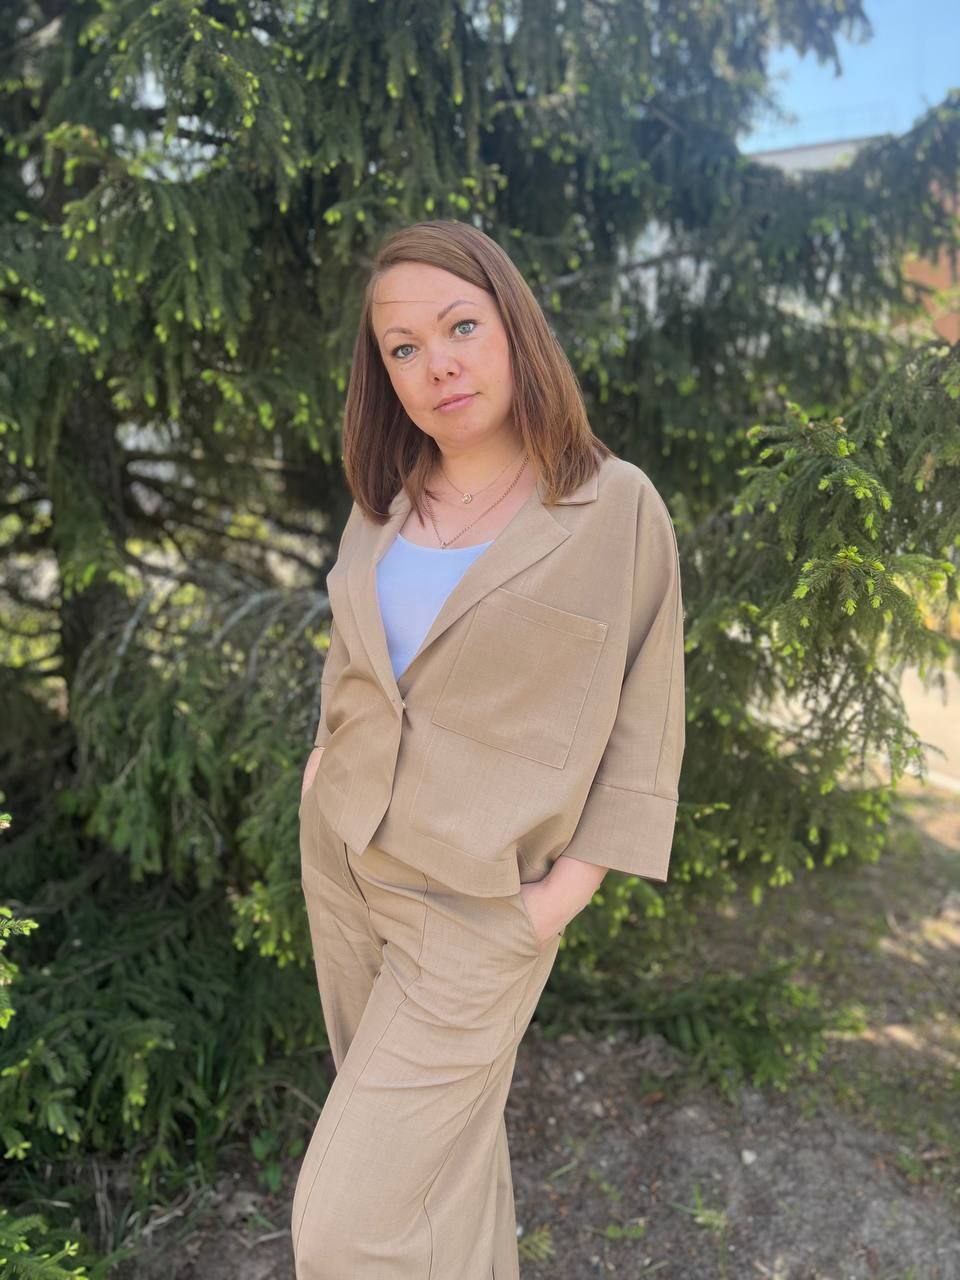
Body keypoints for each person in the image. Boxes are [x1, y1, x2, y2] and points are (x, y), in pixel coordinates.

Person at [291, 219, 686, 1279]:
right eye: (404, 347)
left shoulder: (612, 507)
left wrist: (558, 899)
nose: (438, 364)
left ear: (514, 327)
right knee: (445, 1164)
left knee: (343, 1225)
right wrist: (320, 774)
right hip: (345, 868)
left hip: (477, 910)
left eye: (460, 326)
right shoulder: (381, 506)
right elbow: (356, 663)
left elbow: (647, 718)